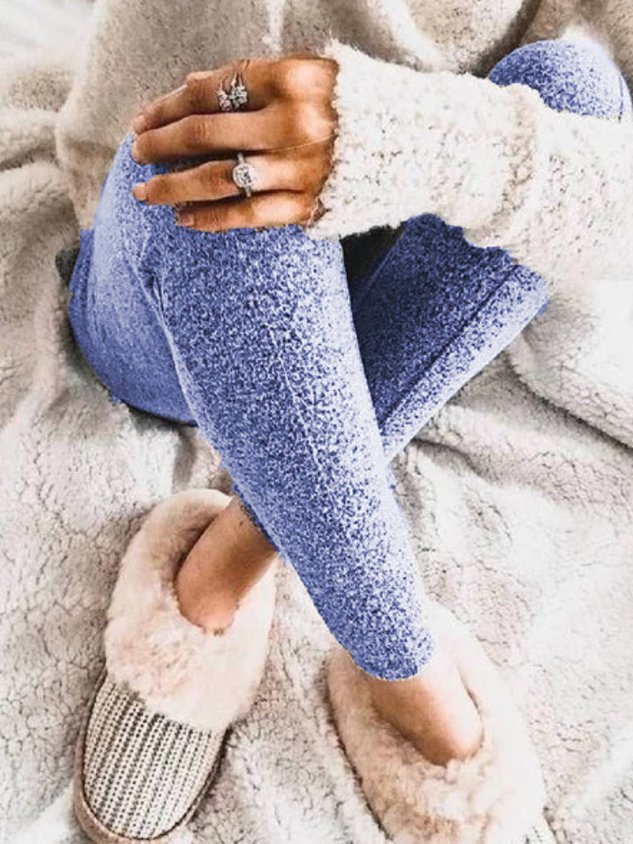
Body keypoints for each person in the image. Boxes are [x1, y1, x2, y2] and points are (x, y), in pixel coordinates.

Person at [62, 27, 630, 844]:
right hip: (161, 289)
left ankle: (234, 549)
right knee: (225, 146)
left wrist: (383, 133)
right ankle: (409, 676)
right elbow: (183, 114)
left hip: (397, 252)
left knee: (579, 91)